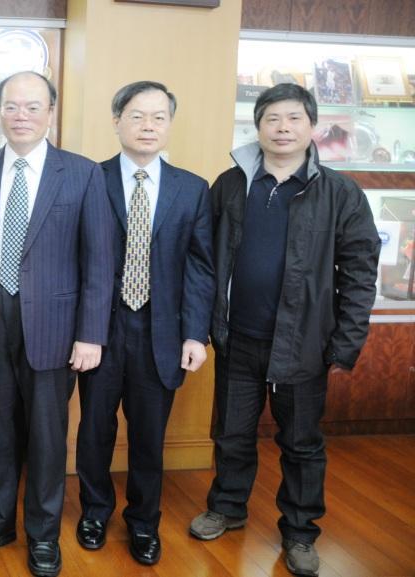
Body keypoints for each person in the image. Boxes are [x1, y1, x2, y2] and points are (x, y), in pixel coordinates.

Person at [188, 83, 380, 577]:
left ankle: (299, 531)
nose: (282, 128)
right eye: (272, 118)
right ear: (258, 126)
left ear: (312, 126)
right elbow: (204, 260)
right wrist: (203, 327)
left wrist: (345, 342)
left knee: (301, 443)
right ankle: (227, 508)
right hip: (238, 337)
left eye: (294, 118)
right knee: (231, 434)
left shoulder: (339, 192)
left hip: (303, 343)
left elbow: (360, 272)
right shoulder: (231, 184)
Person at [0, 71, 114, 577]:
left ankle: (43, 534)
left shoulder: (82, 173)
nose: (21, 116)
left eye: (33, 106)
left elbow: (99, 261)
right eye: (12, 106)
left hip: (56, 325)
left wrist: (91, 334)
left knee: (47, 435)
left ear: (50, 113)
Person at [75, 81, 214, 566]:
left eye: (159, 117)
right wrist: (82, 329)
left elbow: (200, 268)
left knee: (149, 436)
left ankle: (143, 522)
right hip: (101, 329)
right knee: (94, 429)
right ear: (117, 121)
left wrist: (195, 333)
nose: (148, 126)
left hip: (162, 332)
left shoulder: (192, 188)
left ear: (170, 124)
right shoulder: (89, 178)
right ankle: (94, 512)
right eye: (137, 116)